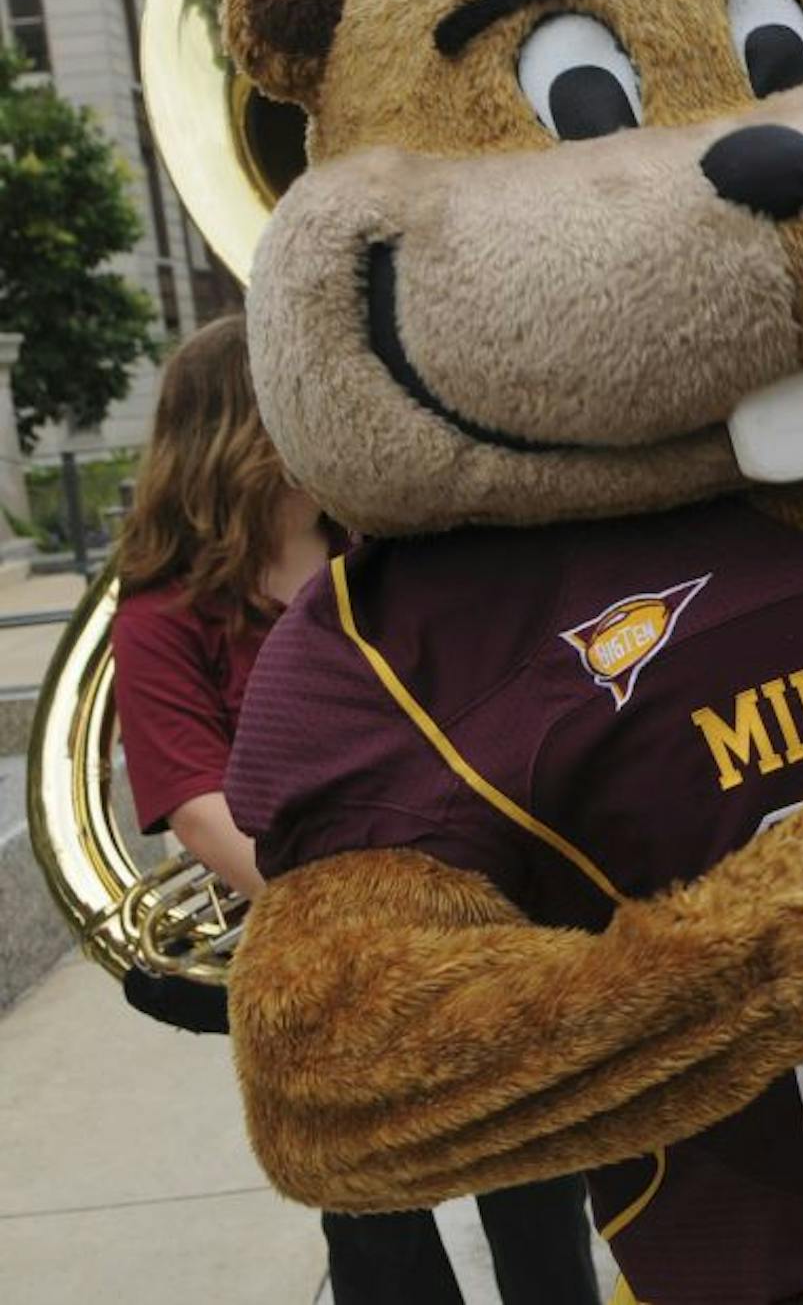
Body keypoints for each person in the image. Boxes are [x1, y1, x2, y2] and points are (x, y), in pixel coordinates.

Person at [110, 314, 603, 1305]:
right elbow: (196, 806)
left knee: (533, 1159)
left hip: (471, 899)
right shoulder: (158, 615)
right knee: (374, 1209)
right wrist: (369, 911)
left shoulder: (382, 553)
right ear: (249, 430)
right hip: (323, 937)